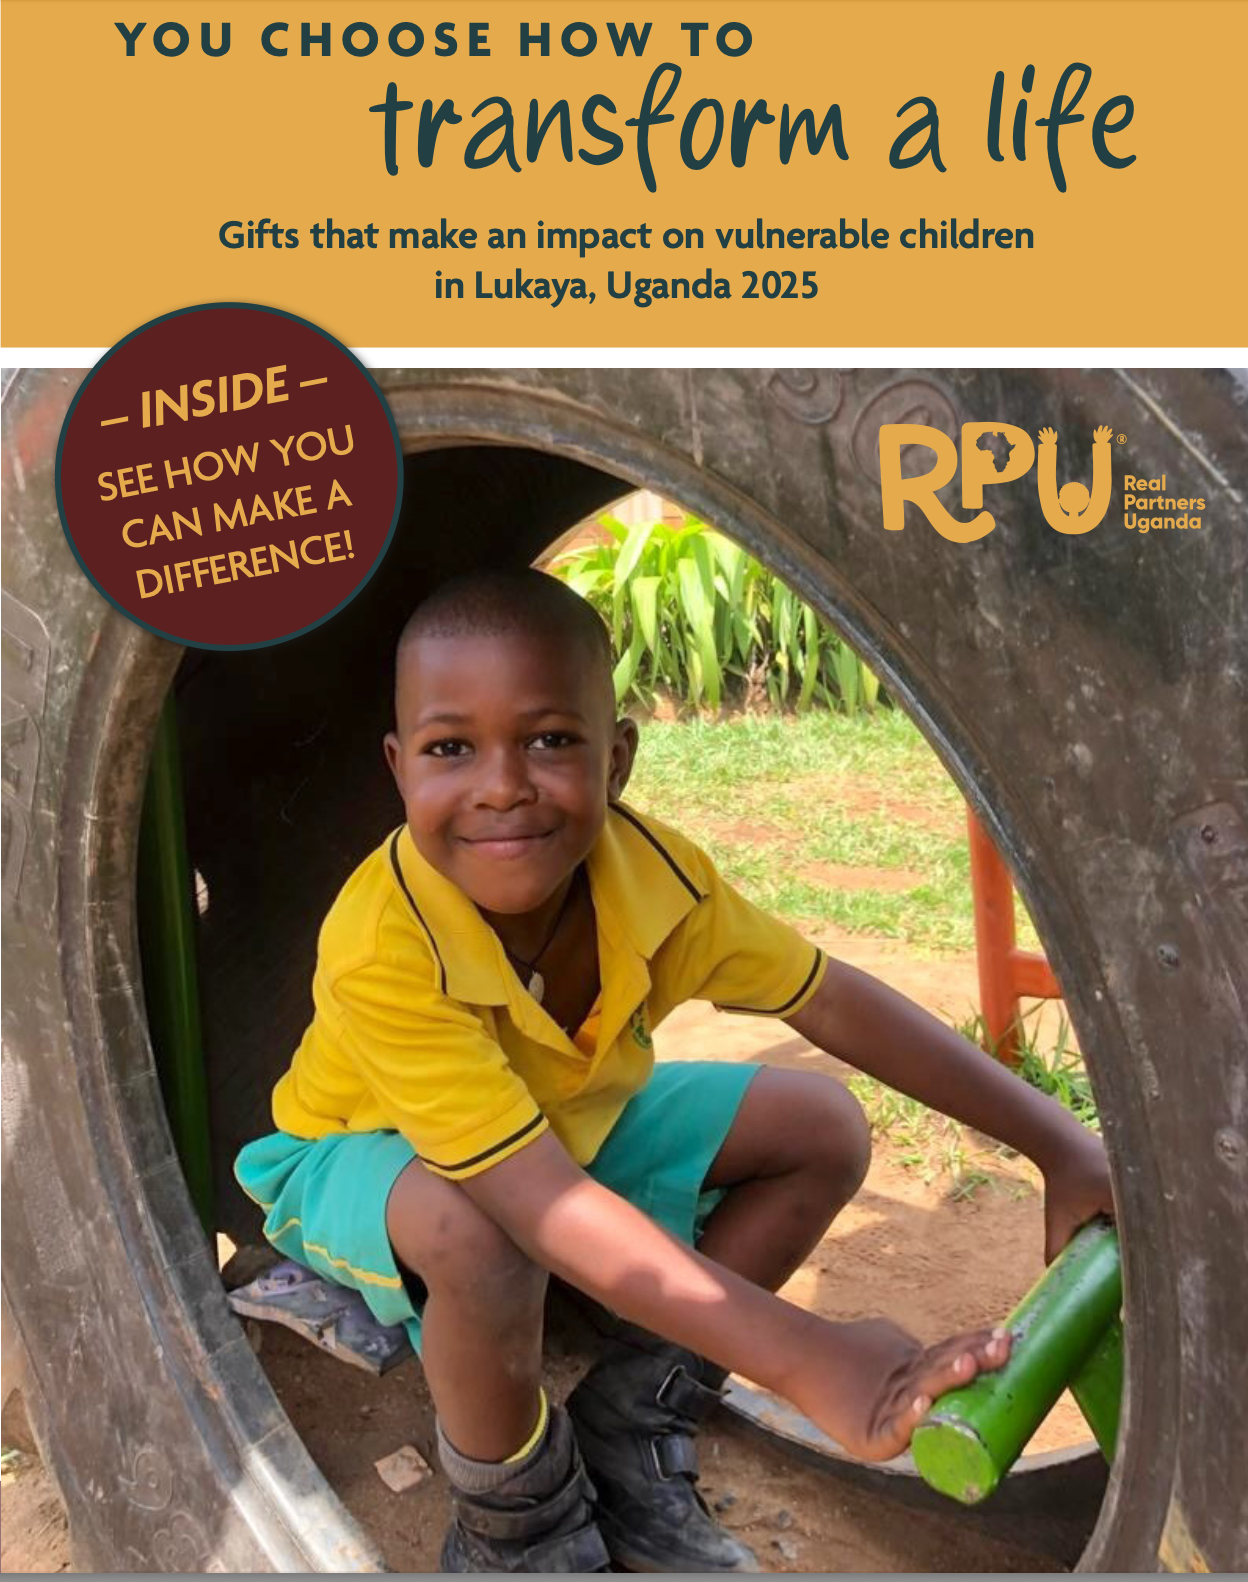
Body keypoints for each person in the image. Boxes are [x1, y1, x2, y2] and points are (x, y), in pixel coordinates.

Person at [236, 567, 1114, 1573]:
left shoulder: (653, 876)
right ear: (398, 768)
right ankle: (514, 1519)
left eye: (549, 740)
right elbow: (535, 1200)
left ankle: (634, 1412)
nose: (502, 784)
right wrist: (807, 1356)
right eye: (450, 748)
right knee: (477, 1233)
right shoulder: (384, 943)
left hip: (556, 1120)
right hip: (354, 1158)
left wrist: (1058, 1142)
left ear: (617, 759)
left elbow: (829, 1000)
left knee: (820, 1128)